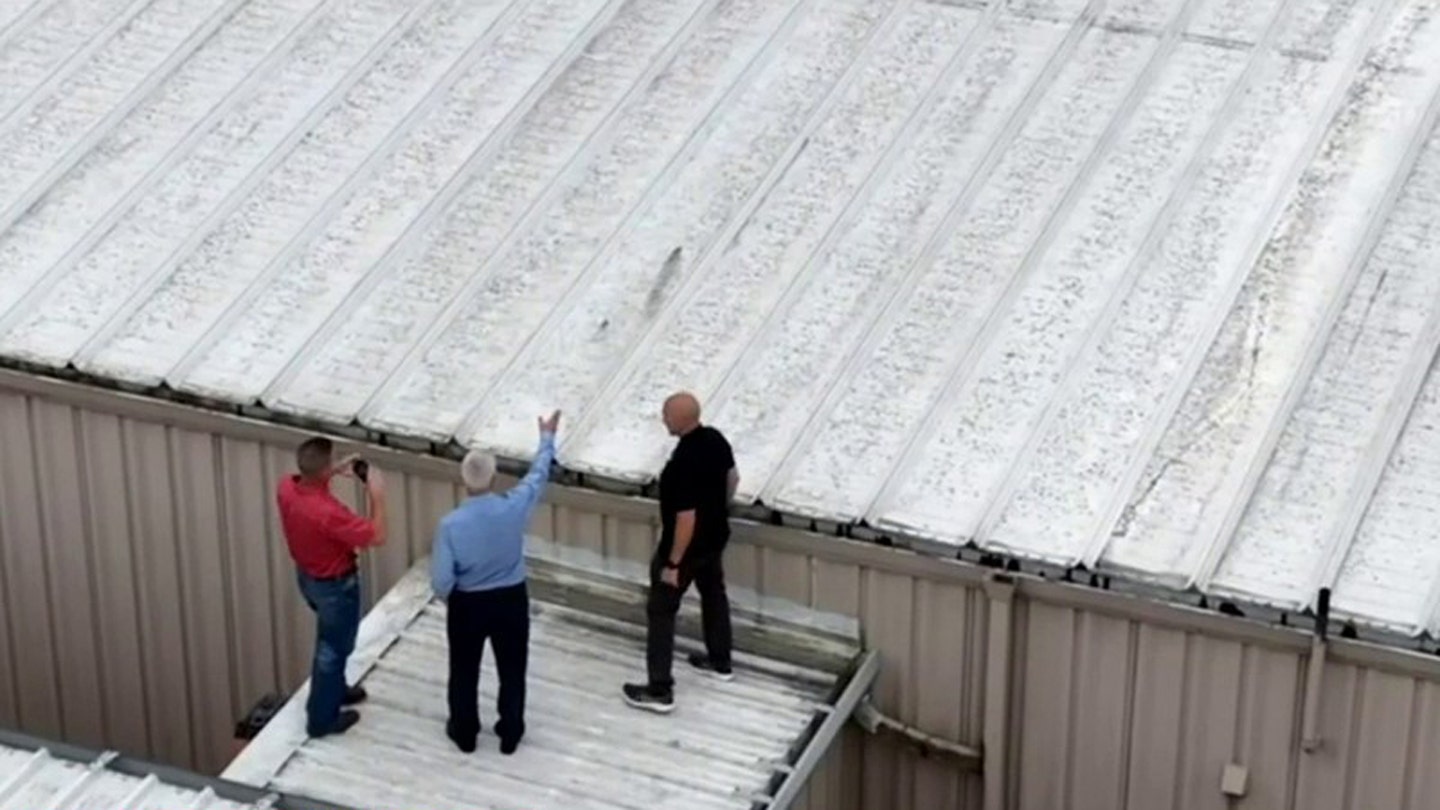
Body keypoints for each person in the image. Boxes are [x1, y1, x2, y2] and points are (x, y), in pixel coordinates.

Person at [432, 410, 560, 755]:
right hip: (510, 598)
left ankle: (464, 731)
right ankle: (510, 731)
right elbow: (538, 475)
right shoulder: (513, 506)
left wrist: (454, 599)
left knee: (463, 669)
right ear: (494, 477)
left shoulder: (450, 525)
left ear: (464, 479)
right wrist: (547, 438)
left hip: (468, 603)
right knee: (513, 668)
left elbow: (442, 579)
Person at [622, 392, 738, 714]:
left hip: (686, 549)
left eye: (666, 414)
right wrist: (719, 509)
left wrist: (673, 563)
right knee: (714, 592)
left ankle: (659, 689)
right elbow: (733, 478)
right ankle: (720, 660)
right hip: (715, 538)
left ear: (679, 419)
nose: (663, 419)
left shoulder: (681, 466)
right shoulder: (716, 440)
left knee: (661, 610)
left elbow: (686, 519)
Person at [276, 436, 387, 738]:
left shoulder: (286, 488)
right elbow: (376, 535)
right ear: (324, 470)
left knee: (332, 644)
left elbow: (308, 479)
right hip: (336, 587)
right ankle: (322, 719)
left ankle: (336, 690)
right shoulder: (327, 513)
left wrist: (332, 469)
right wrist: (376, 494)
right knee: (333, 650)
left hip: (309, 578)